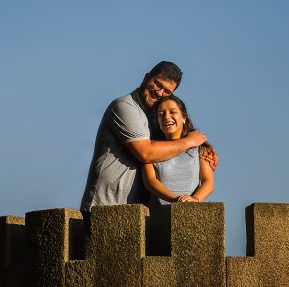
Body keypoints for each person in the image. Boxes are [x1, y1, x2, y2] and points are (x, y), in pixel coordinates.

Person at [79, 61, 216, 229]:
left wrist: (205, 148)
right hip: (105, 206)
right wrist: (189, 142)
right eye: (157, 84)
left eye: (167, 91)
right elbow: (146, 152)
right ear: (146, 78)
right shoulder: (124, 107)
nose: (159, 92)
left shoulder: (154, 117)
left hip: (134, 213)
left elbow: (171, 141)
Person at [141, 95, 215, 254]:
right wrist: (176, 200)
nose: (166, 117)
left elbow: (208, 181)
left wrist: (194, 200)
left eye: (172, 112)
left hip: (190, 218)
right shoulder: (151, 149)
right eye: (161, 114)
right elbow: (150, 182)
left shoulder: (200, 149)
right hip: (158, 219)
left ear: (183, 117)